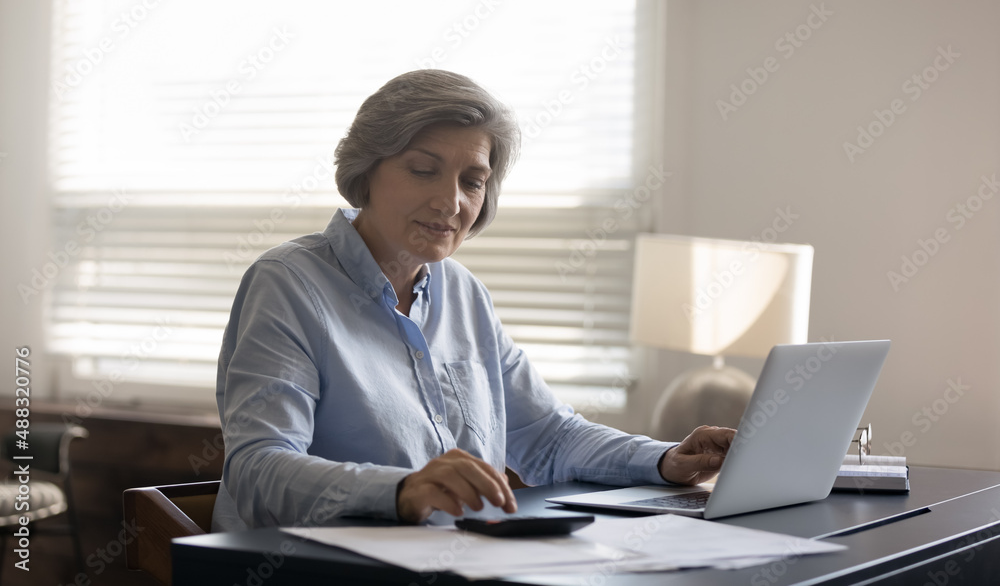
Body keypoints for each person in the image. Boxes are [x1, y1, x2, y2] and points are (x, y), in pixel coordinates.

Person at [212, 69, 735, 531]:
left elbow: (548, 436)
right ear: (365, 171)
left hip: (456, 562)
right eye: (423, 170)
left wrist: (667, 459)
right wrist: (399, 491)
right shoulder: (287, 284)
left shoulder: (463, 293)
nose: (451, 202)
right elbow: (259, 468)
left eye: (473, 181)